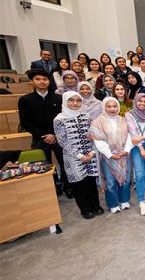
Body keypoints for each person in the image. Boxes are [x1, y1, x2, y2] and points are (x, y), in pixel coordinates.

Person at [19, 69, 70, 196]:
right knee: (43, 165)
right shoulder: (25, 100)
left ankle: (68, 187)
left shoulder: (58, 98)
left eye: (44, 79)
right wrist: (43, 135)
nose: (42, 82)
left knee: (65, 163)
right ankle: (53, 188)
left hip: (58, 136)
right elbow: (25, 122)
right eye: (38, 79)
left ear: (49, 81)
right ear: (32, 81)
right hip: (40, 138)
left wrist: (55, 134)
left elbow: (64, 117)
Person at [53, 91, 102, 219]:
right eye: (71, 100)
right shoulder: (59, 119)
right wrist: (80, 156)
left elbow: (92, 135)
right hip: (73, 157)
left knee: (91, 182)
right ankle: (85, 209)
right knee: (79, 184)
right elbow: (62, 141)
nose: (75, 103)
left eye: (78, 100)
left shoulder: (86, 116)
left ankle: (95, 206)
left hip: (90, 154)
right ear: (65, 101)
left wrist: (92, 151)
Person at [88, 97, 134, 214]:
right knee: (110, 181)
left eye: (114, 106)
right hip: (108, 157)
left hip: (124, 155)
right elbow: (98, 140)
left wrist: (127, 150)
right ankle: (113, 204)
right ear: (104, 107)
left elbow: (130, 136)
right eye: (109, 106)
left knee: (125, 178)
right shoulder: (97, 122)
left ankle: (124, 200)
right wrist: (109, 154)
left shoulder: (124, 120)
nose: (112, 109)